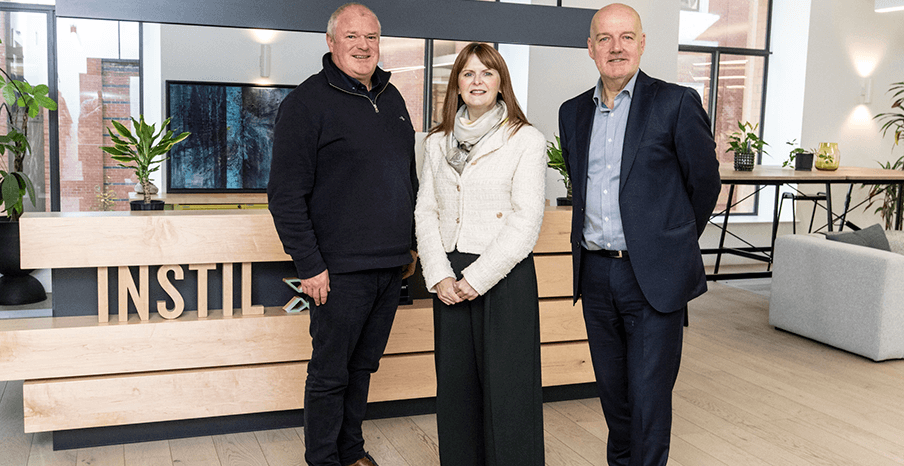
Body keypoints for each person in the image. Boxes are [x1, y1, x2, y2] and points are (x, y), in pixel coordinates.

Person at [557, 4, 721, 466]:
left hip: (654, 277)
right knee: (614, 398)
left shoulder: (675, 102)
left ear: (642, 43)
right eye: (605, 38)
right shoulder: (572, 114)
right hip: (594, 276)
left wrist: (669, 243)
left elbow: (704, 183)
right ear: (590, 48)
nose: (616, 47)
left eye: (626, 37)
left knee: (649, 401)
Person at [267, 4, 418, 466]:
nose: (363, 45)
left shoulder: (392, 97)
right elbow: (286, 195)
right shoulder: (305, 103)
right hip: (338, 272)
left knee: (363, 368)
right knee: (330, 374)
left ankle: (351, 451)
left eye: (371, 37)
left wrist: (409, 245)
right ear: (331, 42)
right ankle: (323, 459)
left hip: (391, 266)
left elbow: (407, 177)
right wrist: (310, 265)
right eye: (352, 36)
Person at [415, 42, 547, 466]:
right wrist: (438, 275)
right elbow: (426, 210)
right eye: (468, 73)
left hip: (501, 276)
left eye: (487, 73)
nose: (477, 81)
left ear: (500, 83)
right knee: (455, 392)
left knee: (509, 393)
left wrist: (476, 278)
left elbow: (526, 220)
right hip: (449, 277)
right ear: (456, 83)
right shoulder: (437, 142)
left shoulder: (525, 139)